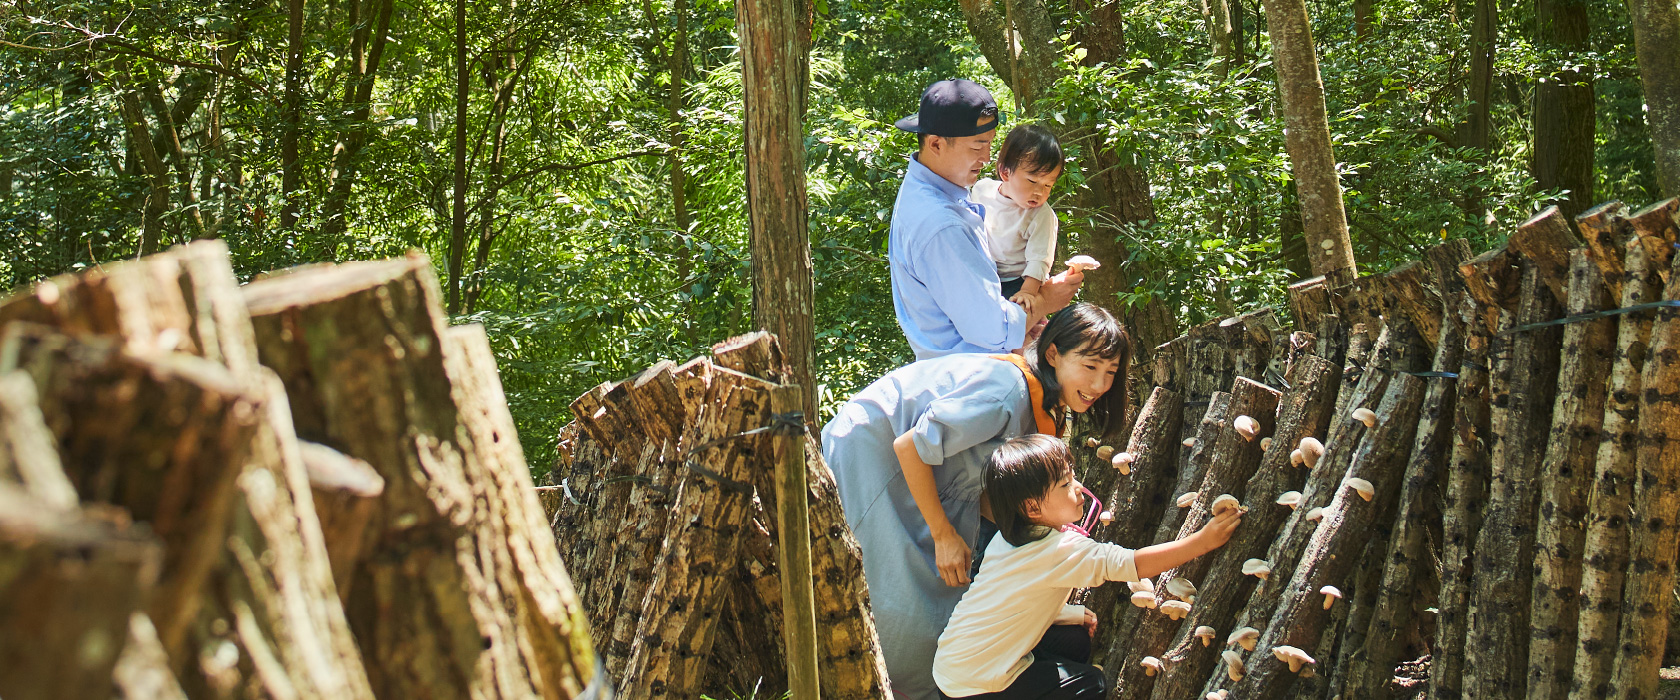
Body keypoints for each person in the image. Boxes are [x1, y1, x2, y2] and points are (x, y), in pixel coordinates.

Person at [822, 303, 1131, 700]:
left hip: (923, 474)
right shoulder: (1006, 392)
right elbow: (910, 446)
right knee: (909, 613)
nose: (1100, 384)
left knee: (949, 588)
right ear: (1053, 354)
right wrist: (943, 532)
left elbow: (991, 503)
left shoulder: (1043, 402)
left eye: (1110, 373)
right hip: (872, 459)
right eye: (1090, 367)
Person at [932, 435, 1242, 699]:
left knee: (1076, 641)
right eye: (1065, 483)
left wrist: (1067, 613)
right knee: (1091, 684)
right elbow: (1132, 563)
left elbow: (1010, 599)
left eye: (1073, 476)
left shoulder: (1009, 537)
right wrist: (1202, 542)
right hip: (974, 685)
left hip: (954, 662)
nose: (1078, 487)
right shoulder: (1060, 550)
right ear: (1032, 507)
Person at [888, 79, 1083, 360]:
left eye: (990, 144)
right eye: (977, 146)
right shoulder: (942, 225)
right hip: (971, 376)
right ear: (936, 144)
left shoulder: (934, 190)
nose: (987, 157)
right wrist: (1044, 301)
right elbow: (994, 332)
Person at [969, 124, 1064, 316]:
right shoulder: (982, 190)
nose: (1039, 192)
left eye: (1048, 185)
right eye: (1032, 181)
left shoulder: (1041, 215)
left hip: (1018, 282)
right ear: (1005, 173)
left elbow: (1039, 260)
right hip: (983, 274)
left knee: (1021, 328)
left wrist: (1028, 292)